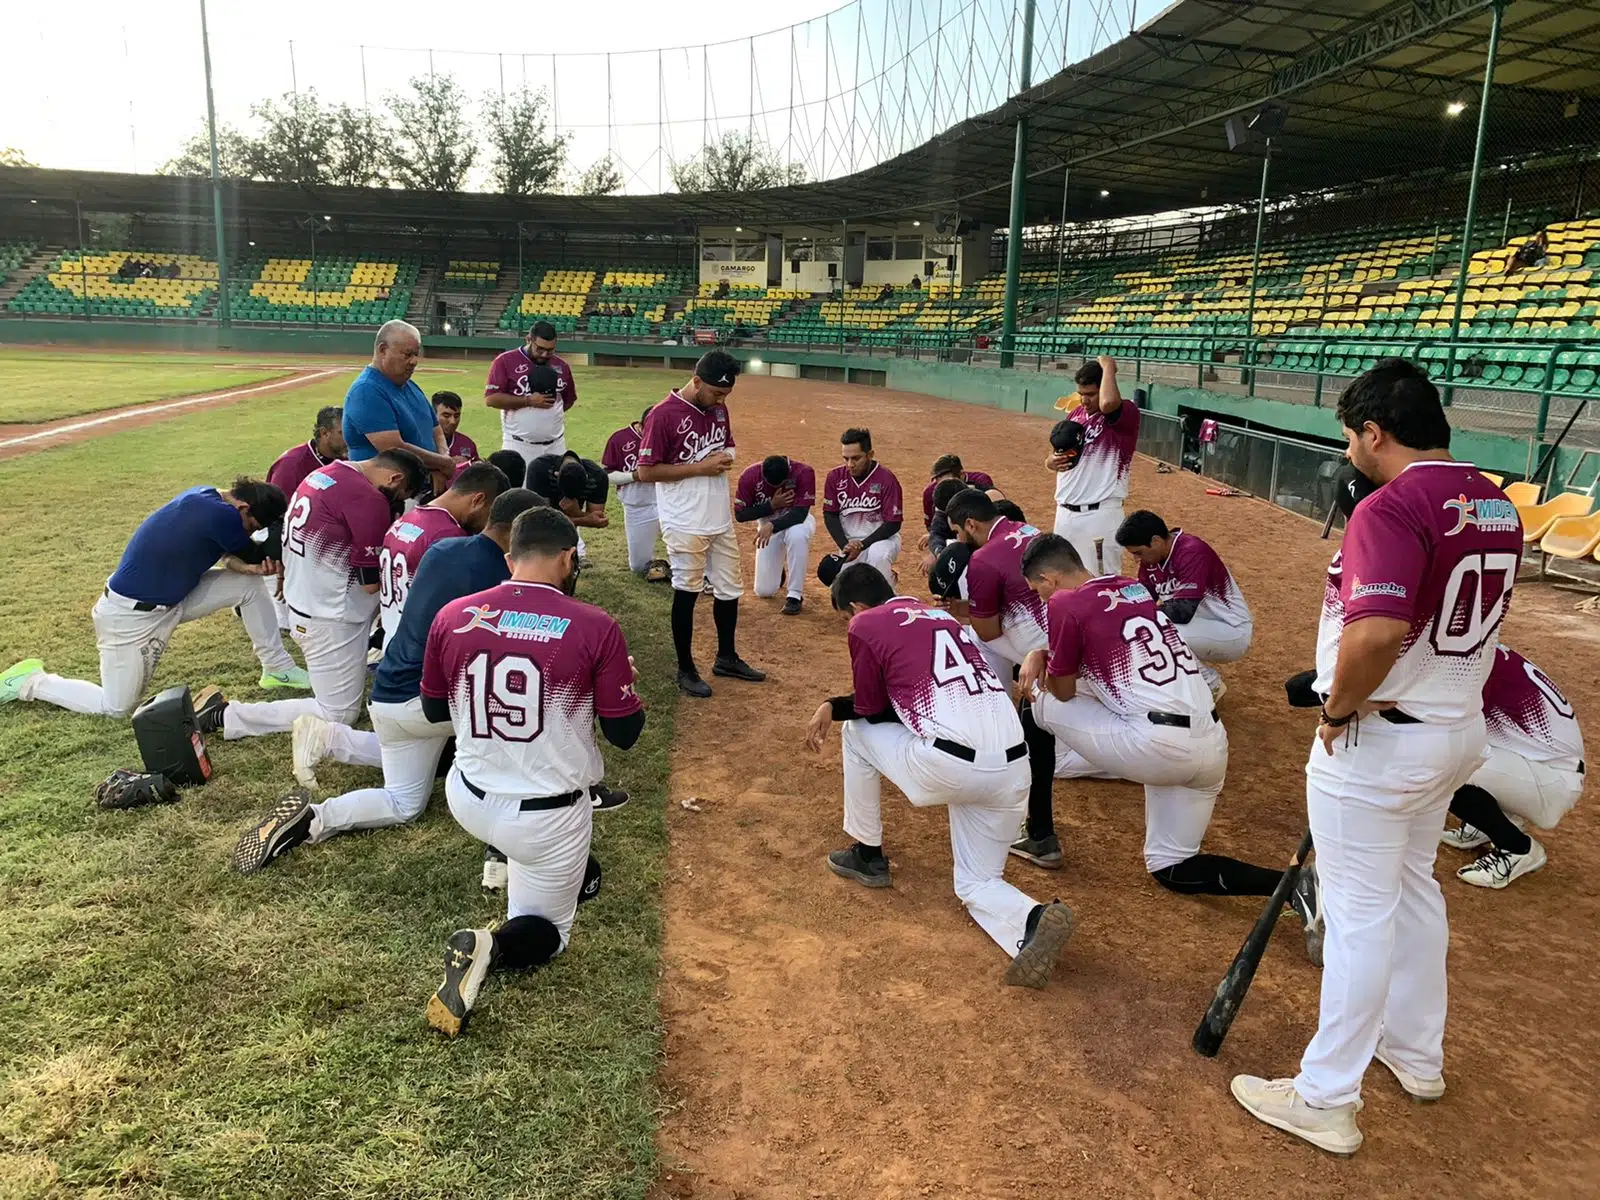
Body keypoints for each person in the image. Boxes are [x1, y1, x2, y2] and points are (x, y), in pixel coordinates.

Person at [1230, 359, 1521, 1157]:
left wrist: (1337, 708)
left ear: (1374, 432)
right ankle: (1416, 1053)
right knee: (1415, 893)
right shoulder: (1495, 500)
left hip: (1385, 737)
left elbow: (1378, 633)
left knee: (1360, 916)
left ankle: (1326, 1096)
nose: (1350, 450)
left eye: (1352, 436)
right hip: (1455, 728)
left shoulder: (1393, 505)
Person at [1009, 534, 1320, 933]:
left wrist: (1036, 658)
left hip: (1155, 745)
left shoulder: (1063, 602)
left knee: (1033, 697)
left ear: (1049, 579)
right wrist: (1044, 653)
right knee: (1170, 865)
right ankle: (1294, 885)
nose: (1038, 597)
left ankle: (1039, 836)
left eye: (1038, 588)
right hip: (1210, 742)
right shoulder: (1132, 587)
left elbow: (1064, 690)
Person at [229, 488, 547, 875]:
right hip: (423, 701)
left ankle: (322, 764)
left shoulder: (446, 548)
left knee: (412, 765)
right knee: (516, 725)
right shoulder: (500, 576)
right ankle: (503, 846)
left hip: (389, 691)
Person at [421, 507, 645, 1037]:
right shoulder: (594, 625)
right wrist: (614, 686)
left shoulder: (454, 615)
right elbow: (625, 734)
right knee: (548, 930)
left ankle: (500, 858)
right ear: (569, 557)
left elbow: (434, 713)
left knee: (541, 846)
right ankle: (490, 945)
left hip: (468, 797)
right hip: (545, 818)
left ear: (509, 558)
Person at [802, 562, 1075, 989]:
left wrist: (833, 707)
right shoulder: (942, 617)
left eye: (845, 617)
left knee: (856, 732)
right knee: (977, 883)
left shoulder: (868, 624)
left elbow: (872, 709)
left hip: (950, 766)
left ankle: (867, 854)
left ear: (856, 606)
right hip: (1012, 768)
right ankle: (1034, 918)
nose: (847, 627)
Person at [0, 480, 307, 716]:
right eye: (252, 526)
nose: (250, 531)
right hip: (131, 617)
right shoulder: (222, 516)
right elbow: (249, 551)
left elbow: (230, 557)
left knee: (248, 587)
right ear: (243, 508)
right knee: (116, 707)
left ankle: (277, 668)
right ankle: (31, 682)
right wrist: (260, 558)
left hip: (175, 598)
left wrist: (253, 568)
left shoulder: (209, 497)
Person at [194, 450, 429, 756]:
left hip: (310, 600)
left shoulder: (326, 473)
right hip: (329, 613)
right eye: (402, 492)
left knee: (344, 697)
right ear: (394, 477)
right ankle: (227, 714)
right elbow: (371, 583)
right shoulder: (367, 498)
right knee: (337, 714)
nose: (397, 500)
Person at [636, 349, 765, 699]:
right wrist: (700, 467)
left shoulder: (718, 408)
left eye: (725, 395)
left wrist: (723, 458)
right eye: (715, 393)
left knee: (730, 588)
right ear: (695, 381)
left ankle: (726, 657)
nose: (721, 401)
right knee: (687, 589)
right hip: (684, 519)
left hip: (717, 516)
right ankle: (686, 668)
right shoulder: (664, 415)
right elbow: (646, 472)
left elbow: (729, 446)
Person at [1439, 645, 1584, 889]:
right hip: (1538, 764)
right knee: (1448, 750)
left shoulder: (1464, 664)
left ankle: (1517, 848)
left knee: (1440, 764)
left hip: (1552, 779)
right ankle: (1486, 823)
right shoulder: (1474, 648)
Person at [1115, 510, 1253, 702]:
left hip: (1231, 630)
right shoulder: (1152, 560)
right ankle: (1186, 684)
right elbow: (1143, 597)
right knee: (1141, 628)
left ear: (1155, 541)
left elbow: (1183, 611)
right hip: (1200, 626)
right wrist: (1116, 600)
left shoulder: (1191, 551)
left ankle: (1210, 684)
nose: (1137, 559)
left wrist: (1140, 614)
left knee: (1159, 631)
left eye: (1138, 553)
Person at [376, 462, 506, 647]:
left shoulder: (408, 518)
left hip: (395, 631)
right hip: (421, 642)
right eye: (489, 514)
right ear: (478, 500)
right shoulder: (447, 535)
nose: (487, 525)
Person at [343, 321, 460, 493]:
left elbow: (435, 430)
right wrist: (443, 463)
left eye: (416, 354)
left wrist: (441, 459)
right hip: (382, 494)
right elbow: (393, 449)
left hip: (415, 490)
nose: (414, 361)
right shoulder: (366, 390)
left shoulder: (410, 386)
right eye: (407, 354)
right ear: (382, 350)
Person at [943, 489, 1047, 682]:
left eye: (957, 532)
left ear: (970, 525)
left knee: (979, 638)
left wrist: (970, 617)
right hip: (1071, 635)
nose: (959, 540)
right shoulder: (1028, 529)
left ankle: (1001, 703)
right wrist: (961, 608)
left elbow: (987, 632)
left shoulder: (982, 559)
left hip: (1049, 655)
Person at [1049, 356, 1139, 574]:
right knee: (1063, 579)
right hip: (1064, 511)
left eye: (1090, 394)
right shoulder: (1076, 415)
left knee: (1101, 583)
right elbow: (1059, 451)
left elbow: (1108, 403)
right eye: (1081, 394)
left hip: (1100, 514)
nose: (1084, 400)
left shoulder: (1125, 414)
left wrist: (1108, 366)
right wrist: (1050, 461)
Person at [485, 321, 578, 467]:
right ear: (529, 339)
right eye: (540, 349)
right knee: (518, 488)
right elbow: (491, 399)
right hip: (518, 444)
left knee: (554, 489)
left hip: (555, 445)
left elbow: (568, 400)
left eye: (550, 350)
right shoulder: (505, 361)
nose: (545, 354)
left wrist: (550, 416)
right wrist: (528, 401)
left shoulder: (561, 366)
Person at [735, 454, 818, 615]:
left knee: (797, 535)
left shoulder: (804, 472)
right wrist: (772, 505)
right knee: (764, 591)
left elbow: (800, 514)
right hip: (767, 525)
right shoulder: (749, 476)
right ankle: (778, 570)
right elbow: (740, 515)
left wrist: (773, 525)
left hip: (797, 521)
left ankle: (795, 595)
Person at [823, 428, 904, 588]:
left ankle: (886, 599)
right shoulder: (835, 477)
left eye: (856, 458)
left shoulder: (886, 479)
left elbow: (893, 523)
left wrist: (863, 545)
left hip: (882, 540)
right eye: (845, 458)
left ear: (870, 454)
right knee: (843, 592)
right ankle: (888, 576)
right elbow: (830, 514)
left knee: (878, 555)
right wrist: (844, 545)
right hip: (850, 543)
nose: (850, 465)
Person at [601, 408, 667, 578]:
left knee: (689, 548)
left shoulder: (671, 435)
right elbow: (607, 475)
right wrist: (635, 476)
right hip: (637, 506)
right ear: (641, 425)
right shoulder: (620, 439)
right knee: (638, 566)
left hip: (670, 501)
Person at [267, 406, 347, 497]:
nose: (350, 438)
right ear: (324, 433)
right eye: (343, 433)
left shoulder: (349, 457)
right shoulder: (290, 466)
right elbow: (277, 508)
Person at [921, 455, 994, 530]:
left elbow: (990, 516)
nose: (944, 487)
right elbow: (931, 525)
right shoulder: (930, 493)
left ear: (961, 475)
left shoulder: (981, 482)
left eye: (949, 482)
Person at [432, 391, 479, 461]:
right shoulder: (422, 442)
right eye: (446, 416)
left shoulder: (467, 443)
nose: (453, 422)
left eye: (456, 416)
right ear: (433, 415)